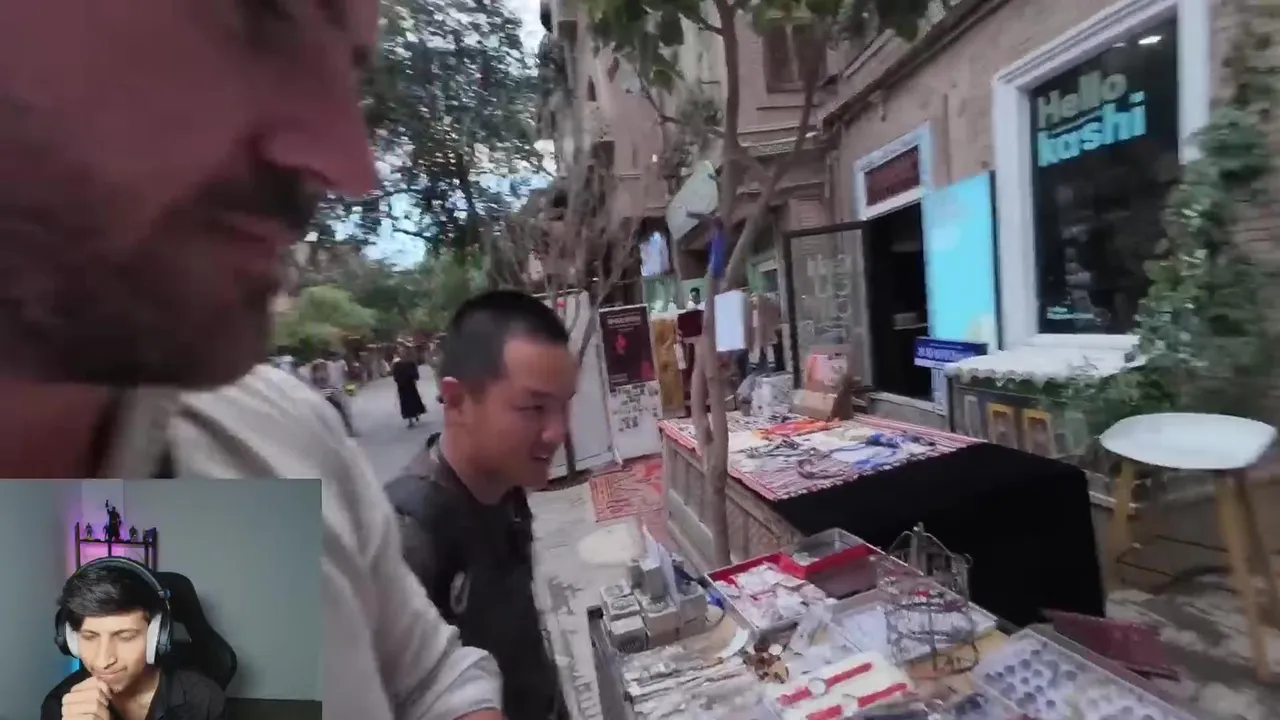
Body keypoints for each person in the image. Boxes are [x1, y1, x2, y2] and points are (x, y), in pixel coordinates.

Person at [0, 3, 502, 720]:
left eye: (349, 73)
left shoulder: (280, 438)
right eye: (254, 18)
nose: (346, 165)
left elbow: (431, 683)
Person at [387, 290, 578, 720]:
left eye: (565, 405)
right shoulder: (407, 538)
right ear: (456, 401)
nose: (558, 432)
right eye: (534, 407)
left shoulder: (508, 486)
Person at [42, 558, 225, 720]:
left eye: (125, 637)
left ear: (157, 637)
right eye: (89, 637)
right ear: (71, 640)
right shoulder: (59, 707)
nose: (103, 662)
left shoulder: (204, 699)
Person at [393, 353, 427, 427]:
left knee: (407, 402)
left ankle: (412, 418)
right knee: (412, 400)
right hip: (408, 385)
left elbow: (395, 376)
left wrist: (399, 380)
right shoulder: (407, 363)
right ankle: (414, 416)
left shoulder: (399, 365)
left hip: (404, 386)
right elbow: (415, 375)